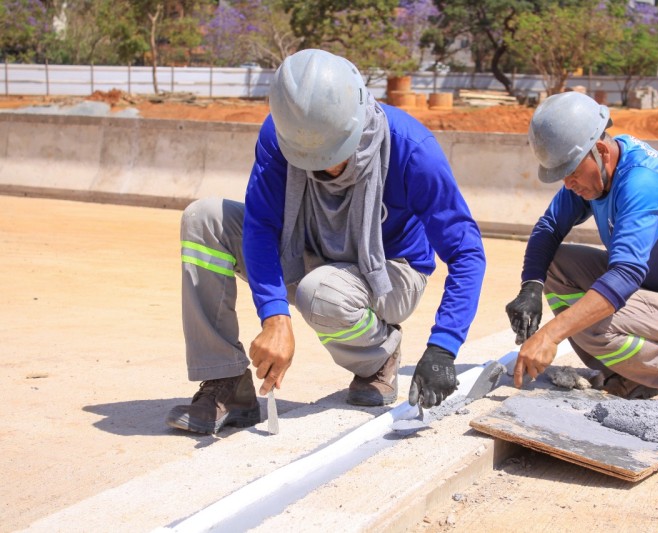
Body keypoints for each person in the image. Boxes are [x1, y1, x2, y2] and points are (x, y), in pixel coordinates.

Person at [167, 49, 486, 434]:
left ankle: (378, 359)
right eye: (308, 156)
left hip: (391, 272)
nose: (324, 167)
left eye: (334, 151)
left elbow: (467, 252)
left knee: (322, 293)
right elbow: (261, 225)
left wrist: (443, 347)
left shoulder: (412, 151)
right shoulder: (281, 134)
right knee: (205, 219)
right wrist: (275, 316)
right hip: (312, 249)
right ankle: (227, 383)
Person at [505, 91, 658, 418]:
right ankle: (632, 379)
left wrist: (551, 333)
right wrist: (530, 287)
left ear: (600, 150)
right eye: (562, 175)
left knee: (585, 321)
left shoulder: (642, 183)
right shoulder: (599, 170)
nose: (569, 183)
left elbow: (625, 276)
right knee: (556, 267)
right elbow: (549, 227)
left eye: (571, 171)